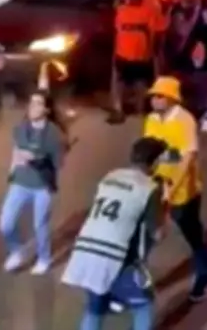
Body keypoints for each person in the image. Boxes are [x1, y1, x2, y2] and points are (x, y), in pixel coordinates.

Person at [61, 137, 167, 330]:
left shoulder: (110, 176)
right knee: (143, 305)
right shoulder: (149, 188)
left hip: (86, 250)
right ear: (156, 162)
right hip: (116, 257)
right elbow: (158, 234)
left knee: (95, 307)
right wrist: (162, 209)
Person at [142, 76, 207, 300]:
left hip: (183, 191)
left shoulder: (186, 121)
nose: (155, 99)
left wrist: (172, 192)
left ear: (173, 99)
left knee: (192, 234)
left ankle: (204, 273)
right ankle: (138, 282)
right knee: (146, 235)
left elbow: (187, 159)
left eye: (160, 96)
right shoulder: (151, 120)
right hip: (156, 187)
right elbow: (147, 154)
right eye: (153, 95)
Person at [0, 90, 67, 274]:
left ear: (46, 109)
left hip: (42, 186)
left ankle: (44, 258)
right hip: (19, 182)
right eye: (31, 103)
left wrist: (39, 159)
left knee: (40, 225)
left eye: (37, 104)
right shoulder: (21, 128)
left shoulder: (54, 133)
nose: (32, 107)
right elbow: (16, 150)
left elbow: (59, 164)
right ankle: (17, 252)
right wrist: (12, 171)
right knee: (6, 224)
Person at [109, 0, 163, 124]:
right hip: (122, 52)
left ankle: (140, 109)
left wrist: (153, 52)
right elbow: (117, 30)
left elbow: (155, 32)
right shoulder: (121, 10)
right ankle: (118, 109)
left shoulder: (149, 10)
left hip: (142, 54)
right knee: (119, 82)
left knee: (140, 83)